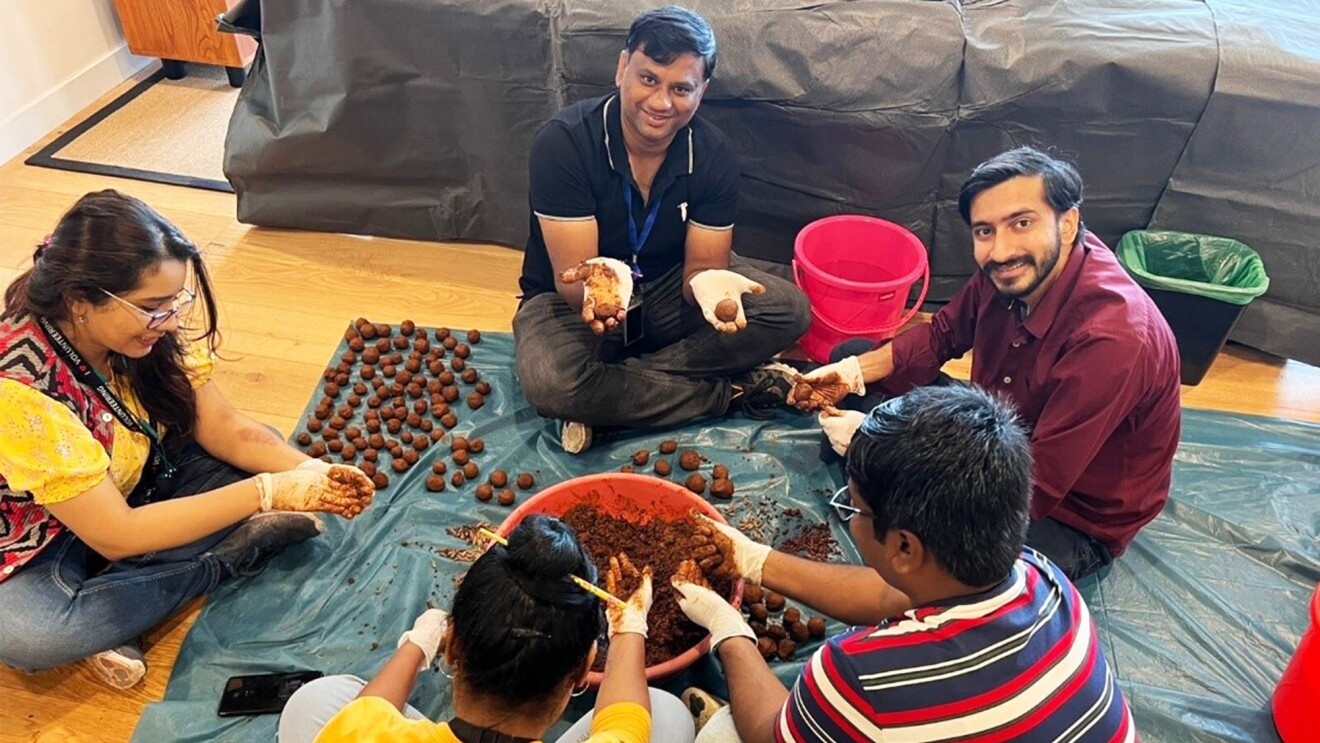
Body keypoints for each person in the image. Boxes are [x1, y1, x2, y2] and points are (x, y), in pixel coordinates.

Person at [0, 190, 375, 689]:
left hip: (136, 481)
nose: (172, 319)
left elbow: (222, 426)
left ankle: (119, 604)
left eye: (175, 301)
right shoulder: (20, 391)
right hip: (42, 533)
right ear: (79, 301)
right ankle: (230, 556)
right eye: (154, 307)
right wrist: (267, 493)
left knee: (262, 444)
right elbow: (116, 532)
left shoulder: (139, 324)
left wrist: (307, 471)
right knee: (31, 636)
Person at [791, 146, 1181, 579]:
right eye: (984, 232)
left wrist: (879, 444)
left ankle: (885, 476)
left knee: (948, 561)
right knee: (855, 356)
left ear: (1067, 223)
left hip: (1064, 512)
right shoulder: (1010, 271)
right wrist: (850, 374)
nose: (1000, 251)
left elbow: (1033, 487)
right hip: (994, 425)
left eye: (1022, 223)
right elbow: (941, 336)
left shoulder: (1113, 338)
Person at [674, 385, 1138, 742]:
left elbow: (770, 734)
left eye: (853, 508)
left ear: (904, 549)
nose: (850, 518)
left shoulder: (862, 675)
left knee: (725, 733)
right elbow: (887, 595)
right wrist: (754, 560)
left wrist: (729, 629)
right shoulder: (1044, 578)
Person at [513, 6, 811, 454]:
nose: (661, 103)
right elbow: (573, 281)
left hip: (666, 290)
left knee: (790, 310)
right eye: (649, 79)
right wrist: (602, 291)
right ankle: (732, 392)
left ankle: (610, 393)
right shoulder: (564, 144)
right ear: (621, 68)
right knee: (552, 383)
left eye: (681, 88)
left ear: (702, 91)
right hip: (571, 303)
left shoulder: (712, 155)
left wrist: (711, 286)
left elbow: (701, 271)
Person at [279, 514, 696, 743]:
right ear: (582, 671)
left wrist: (415, 646)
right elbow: (627, 720)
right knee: (666, 714)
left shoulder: (364, 734)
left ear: (452, 646)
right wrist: (628, 627)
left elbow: (363, 715)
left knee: (314, 700)